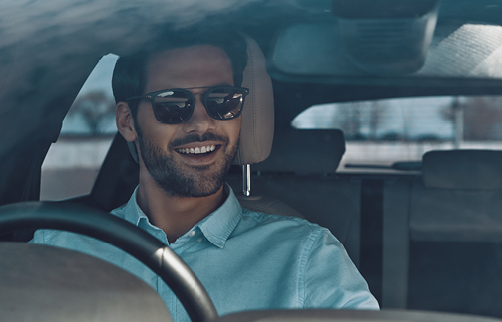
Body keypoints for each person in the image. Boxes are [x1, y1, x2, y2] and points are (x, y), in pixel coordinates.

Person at [31, 30, 379, 321]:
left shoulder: (307, 258)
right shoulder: (61, 253)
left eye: (222, 101)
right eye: (171, 103)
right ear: (127, 122)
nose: (201, 122)